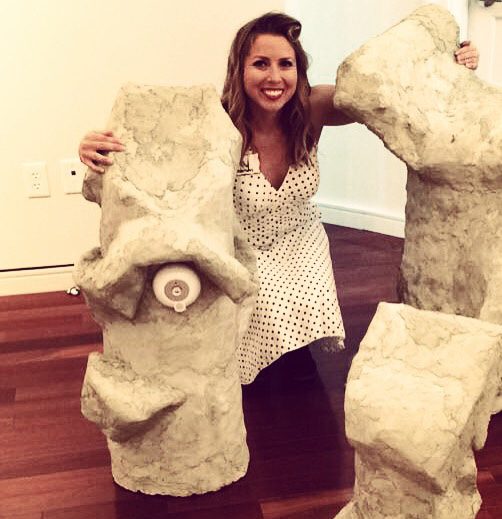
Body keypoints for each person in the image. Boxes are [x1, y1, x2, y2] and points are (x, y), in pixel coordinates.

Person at [78, 12, 479, 385]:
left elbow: (388, 95)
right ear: (240, 69)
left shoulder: (313, 107)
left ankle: (293, 359)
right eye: (261, 64)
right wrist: (92, 145)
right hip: (242, 245)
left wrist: (449, 65)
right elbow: (149, 143)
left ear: (298, 70)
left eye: (286, 64)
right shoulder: (215, 120)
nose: (275, 77)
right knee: (260, 317)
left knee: (303, 328)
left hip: (299, 234)